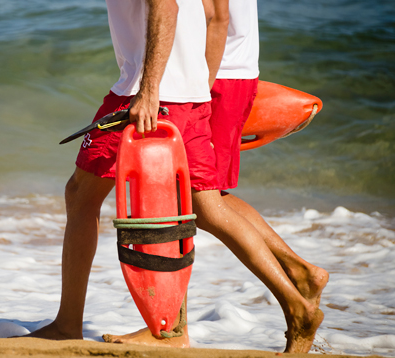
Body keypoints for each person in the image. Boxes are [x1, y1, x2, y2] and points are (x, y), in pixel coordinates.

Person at [26, 0, 323, 353]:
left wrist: (150, 91)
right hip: (190, 95)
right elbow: (215, 16)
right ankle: (295, 303)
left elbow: (165, 5)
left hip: (146, 92)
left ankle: (67, 324)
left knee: (80, 195)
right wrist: (199, 89)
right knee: (208, 206)